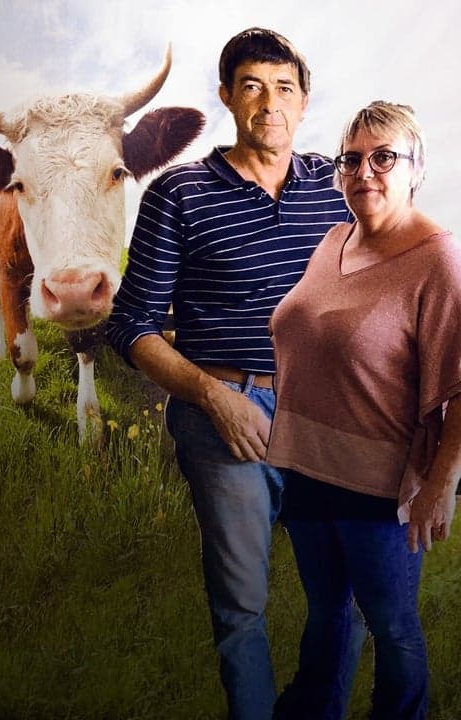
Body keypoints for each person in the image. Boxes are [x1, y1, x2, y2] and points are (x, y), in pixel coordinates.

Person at [104, 28, 363, 719]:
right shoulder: (180, 194)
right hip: (227, 419)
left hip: (327, 421)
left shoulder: (336, 190)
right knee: (243, 608)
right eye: (251, 85)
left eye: (284, 88)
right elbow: (129, 325)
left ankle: (314, 708)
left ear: (304, 102)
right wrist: (214, 398)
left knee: (353, 596)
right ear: (226, 97)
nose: (269, 102)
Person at [267, 101, 461, 719]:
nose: (364, 172)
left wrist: (442, 481)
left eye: (384, 157)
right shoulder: (333, 239)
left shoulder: (439, 260)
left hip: (377, 486)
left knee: (392, 627)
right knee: (326, 613)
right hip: (305, 469)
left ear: (416, 168)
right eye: (351, 160)